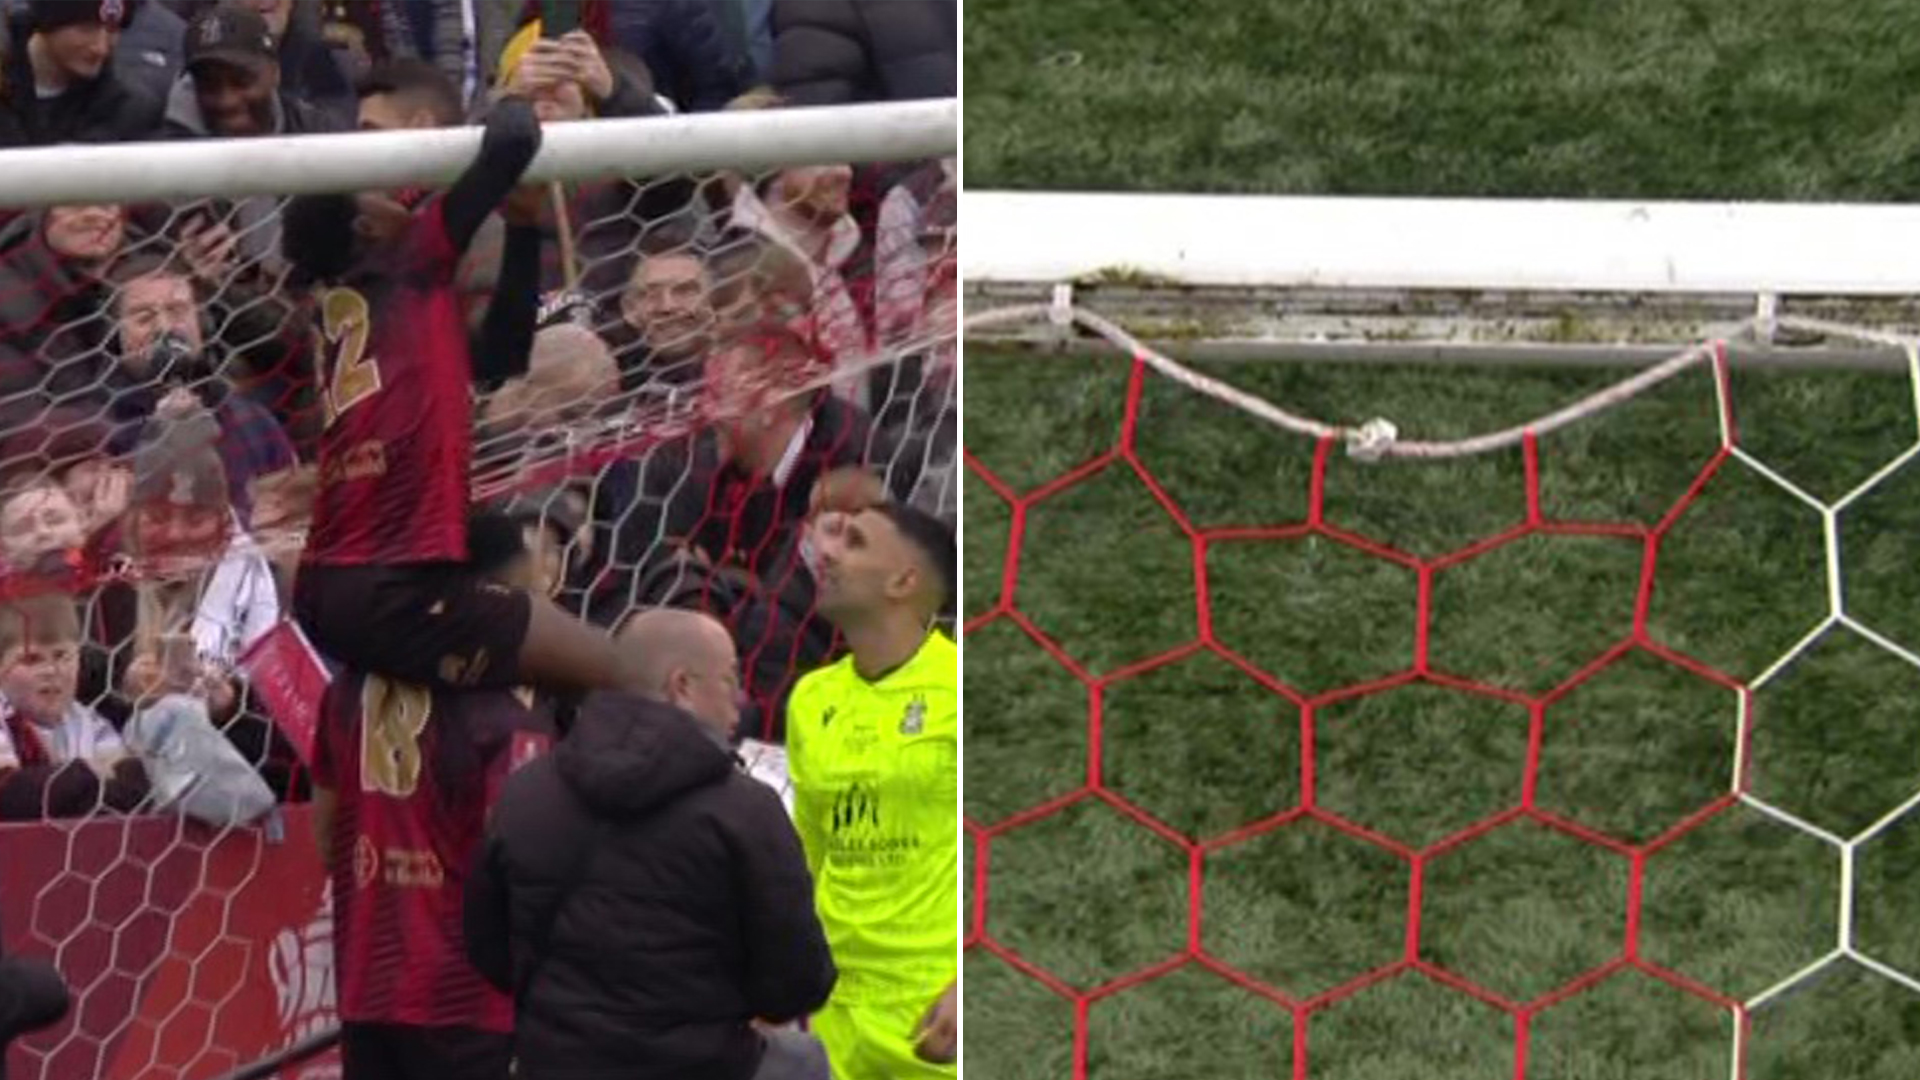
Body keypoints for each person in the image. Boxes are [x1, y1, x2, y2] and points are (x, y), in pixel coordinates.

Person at [279, 91, 643, 699]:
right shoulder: (407, 262)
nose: (408, 199)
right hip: (391, 587)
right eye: (386, 195)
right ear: (367, 227)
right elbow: (510, 141)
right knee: (624, 676)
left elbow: (503, 354)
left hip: (347, 584)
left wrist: (524, 225)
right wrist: (513, 99)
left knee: (500, 550)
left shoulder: (389, 316)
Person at [464, 608, 836, 1080]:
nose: (739, 702)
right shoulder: (744, 810)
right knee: (804, 1061)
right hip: (706, 1064)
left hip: (555, 1061)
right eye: (728, 680)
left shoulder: (525, 794)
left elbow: (489, 950)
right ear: (680, 685)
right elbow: (797, 984)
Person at [311, 510, 560, 1080]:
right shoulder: (508, 703)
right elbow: (523, 867)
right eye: (529, 587)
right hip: (466, 998)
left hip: (368, 984)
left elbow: (327, 835)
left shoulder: (352, 684)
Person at [784, 502, 957, 1078]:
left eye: (854, 542)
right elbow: (805, 850)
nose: (825, 552)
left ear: (903, 581)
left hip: (931, 1013)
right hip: (829, 1007)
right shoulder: (811, 698)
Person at [0, 592, 151, 820]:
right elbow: (12, 795)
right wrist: (90, 771)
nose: (51, 670)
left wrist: (69, 786)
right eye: (31, 659)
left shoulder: (86, 719)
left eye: (62, 656)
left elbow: (134, 787)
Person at [0, 0, 162, 146]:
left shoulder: (128, 109)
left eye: (112, 30)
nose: (100, 47)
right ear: (47, 26)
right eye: (86, 29)